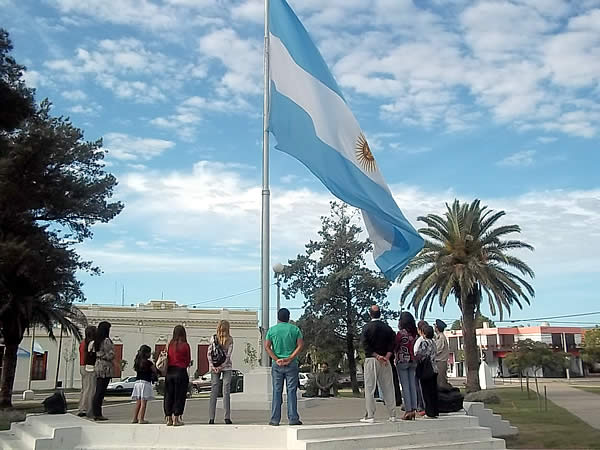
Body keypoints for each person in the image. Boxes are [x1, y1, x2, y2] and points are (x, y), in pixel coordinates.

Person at [264, 308, 304, 426]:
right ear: (288, 317)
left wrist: (276, 359)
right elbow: (300, 345)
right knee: (291, 391)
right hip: (291, 363)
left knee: (277, 391)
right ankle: (293, 418)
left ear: (278, 317)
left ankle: (275, 419)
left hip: (277, 364)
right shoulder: (295, 329)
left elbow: (267, 347)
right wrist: (291, 357)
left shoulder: (272, 330)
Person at [360, 305, 397, 423]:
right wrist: (387, 356)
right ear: (380, 314)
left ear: (370, 314)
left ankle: (370, 415)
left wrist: (376, 356)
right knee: (388, 388)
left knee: (370, 388)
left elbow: (365, 345)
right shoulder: (387, 328)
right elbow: (393, 342)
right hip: (386, 360)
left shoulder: (366, 328)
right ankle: (392, 414)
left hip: (372, 359)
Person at [208, 319, 234, 424]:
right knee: (225, 391)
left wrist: (213, 366)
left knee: (214, 390)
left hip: (216, 367)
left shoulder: (213, 338)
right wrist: (220, 366)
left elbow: (209, 353)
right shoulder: (230, 340)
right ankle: (226, 417)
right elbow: (228, 356)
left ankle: (211, 418)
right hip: (225, 367)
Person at [164, 325, 191, 427]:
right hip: (181, 371)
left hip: (170, 372)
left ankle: (168, 418)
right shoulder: (185, 345)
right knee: (179, 396)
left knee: (168, 395)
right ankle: (176, 418)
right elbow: (188, 360)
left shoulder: (169, 345)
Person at [395, 311, 418, 421]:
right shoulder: (414, 334)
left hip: (402, 360)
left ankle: (408, 410)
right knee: (412, 385)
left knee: (405, 386)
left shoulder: (401, 333)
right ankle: (413, 409)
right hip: (412, 360)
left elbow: (395, 346)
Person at [91, 321, 114, 421]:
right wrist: (112, 355)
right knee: (101, 391)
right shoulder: (106, 341)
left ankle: (95, 412)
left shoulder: (96, 341)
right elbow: (110, 354)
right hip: (105, 366)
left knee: (98, 390)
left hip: (98, 365)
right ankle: (98, 413)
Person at [416, 324, 439, 419]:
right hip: (434, 368)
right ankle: (435, 410)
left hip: (426, 369)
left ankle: (429, 412)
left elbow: (420, 354)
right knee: (433, 391)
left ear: (424, 334)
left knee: (426, 391)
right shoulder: (433, 342)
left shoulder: (424, 343)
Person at [131, 344, 157, 424]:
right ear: (146, 353)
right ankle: (141, 419)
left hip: (137, 382)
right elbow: (155, 370)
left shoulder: (137, 362)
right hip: (145, 383)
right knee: (143, 402)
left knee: (138, 402)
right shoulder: (148, 363)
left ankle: (134, 418)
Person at [77, 325, 97, 418]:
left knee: (84, 388)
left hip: (82, 366)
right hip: (89, 366)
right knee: (90, 389)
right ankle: (86, 408)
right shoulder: (92, 343)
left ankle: (81, 407)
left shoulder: (82, 343)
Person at [434, 319, 452, 390]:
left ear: (437, 328)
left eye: (435, 326)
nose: (434, 327)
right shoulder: (439, 337)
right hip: (439, 362)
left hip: (440, 362)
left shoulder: (441, 338)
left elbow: (437, 350)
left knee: (441, 382)